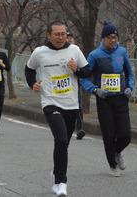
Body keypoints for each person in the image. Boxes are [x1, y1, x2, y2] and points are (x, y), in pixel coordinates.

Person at [25, 21, 90, 197]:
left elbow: (88, 72)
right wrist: (33, 84)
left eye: (63, 34)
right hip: (50, 102)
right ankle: (60, 183)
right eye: (57, 34)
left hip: (71, 104)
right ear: (49, 35)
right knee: (61, 140)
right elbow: (29, 70)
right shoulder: (39, 53)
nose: (61, 37)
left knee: (64, 143)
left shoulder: (74, 50)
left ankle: (57, 170)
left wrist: (76, 69)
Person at [81, 21, 134, 177]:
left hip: (121, 98)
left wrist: (130, 87)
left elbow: (130, 73)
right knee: (109, 134)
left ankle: (117, 152)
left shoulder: (122, 52)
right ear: (103, 38)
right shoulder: (94, 55)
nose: (113, 40)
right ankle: (112, 164)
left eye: (115, 37)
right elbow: (84, 78)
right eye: (110, 37)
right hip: (104, 100)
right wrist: (95, 90)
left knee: (125, 135)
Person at [67, 31, 86, 141]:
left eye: (71, 37)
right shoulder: (57, 52)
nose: (69, 39)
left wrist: (77, 69)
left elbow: (84, 69)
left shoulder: (76, 51)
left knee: (78, 106)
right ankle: (65, 127)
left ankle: (80, 129)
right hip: (61, 86)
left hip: (75, 83)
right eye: (67, 37)